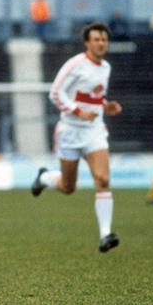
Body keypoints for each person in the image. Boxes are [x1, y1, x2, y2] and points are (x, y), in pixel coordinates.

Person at [31, 22, 123, 253]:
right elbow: (55, 93)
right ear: (87, 42)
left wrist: (106, 105)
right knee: (68, 186)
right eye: (96, 39)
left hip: (94, 131)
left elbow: (93, 96)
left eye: (104, 39)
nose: (101, 43)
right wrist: (77, 111)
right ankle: (44, 178)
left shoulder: (106, 67)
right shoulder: (75, 64)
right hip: (70, 132)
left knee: (102, 179)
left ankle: (105, 234)